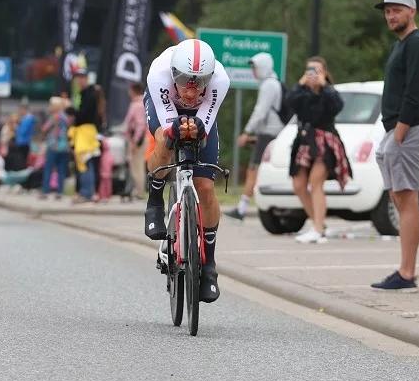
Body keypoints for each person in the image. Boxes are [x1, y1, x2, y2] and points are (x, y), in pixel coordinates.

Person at [142, 38, 230, 303]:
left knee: (205, 186)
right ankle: (154, 199)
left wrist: (198, 130)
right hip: (166, 108)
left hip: (200, 117)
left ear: (209, 77)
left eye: (199, 83)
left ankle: (210, 266)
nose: (191, 92)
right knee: (165, 141)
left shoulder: (220, 80)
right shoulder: (159, 73)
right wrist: (174, 129)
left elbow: (204, 124)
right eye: (184, 82)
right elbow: (168, 126)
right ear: (173, 74)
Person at [369, 0, 419, 292]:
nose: (391, 15)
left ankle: (407, 272)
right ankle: (404, 269)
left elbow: (415, 91)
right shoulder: (402, 44)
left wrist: (399, 132)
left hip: (407, 130)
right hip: (396, 130)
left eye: (397, 9)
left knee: (407, 200)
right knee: (398, 198)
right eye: (387, 11)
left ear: (412, 11)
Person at [286, 57, 351, 244]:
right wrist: (300, 84)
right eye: (309, 70)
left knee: (316, 182)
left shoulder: (329, 92)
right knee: (298, 184)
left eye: (317, 70)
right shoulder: (302, 93)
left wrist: (324, 86)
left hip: (326, 141)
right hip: (305, 140)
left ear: (324, 72)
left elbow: (338, 106)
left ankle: (317, 229)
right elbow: (289, 102)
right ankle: (319, 224)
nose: (313, 74)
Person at [227, 52, 286, 221]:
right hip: (269, 133)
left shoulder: (269, 85)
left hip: (268, 133)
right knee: (258, 170)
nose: (253, 71)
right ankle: (245, 207)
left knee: (253, 169)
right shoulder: (272, 83)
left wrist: (247, 132)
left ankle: (242, 209)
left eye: (256, 68)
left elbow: (260, 112)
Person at [71, 71, 104, 203]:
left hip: (86, 131)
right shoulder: (87, 94)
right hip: (87, 131)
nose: (79, 82)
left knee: (85, 163)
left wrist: (74, 113)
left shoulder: (89, 95)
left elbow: (84, 114)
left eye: (81, 79)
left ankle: (87, 192)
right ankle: (87, 191)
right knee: (85, 163)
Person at [39, 97, 70, 199]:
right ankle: (59, 192)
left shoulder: (54, 117)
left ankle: (45, 191)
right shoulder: (66, 117)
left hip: (53, 146)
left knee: (48, 168)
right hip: (65, 147)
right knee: (61, 170)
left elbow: (45, 128)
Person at [122, 82, 149, 201]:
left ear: (133, 90)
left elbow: (140, 125)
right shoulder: (143, 103)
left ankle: (139, 191)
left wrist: (135, 142)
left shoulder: (137, 105)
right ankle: (138, 190)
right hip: (140, 139)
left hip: (137, 140)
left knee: (136, 166)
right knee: (138, 166)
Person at [10, 101, 37, 173]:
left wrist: (16, 128)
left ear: (24, 109)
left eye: (20, 110)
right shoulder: (26, 119)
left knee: (21, 161)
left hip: (23, 143)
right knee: (21, 161)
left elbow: (23, 131)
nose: (19, 112)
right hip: (23, 142)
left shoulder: (28, 119)